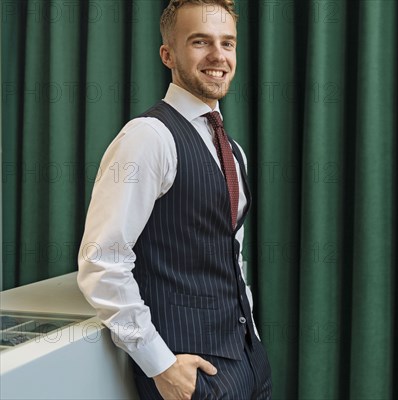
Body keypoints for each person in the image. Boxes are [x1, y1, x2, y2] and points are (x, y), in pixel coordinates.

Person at [77, 1, 272, 399]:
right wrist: (160, 364)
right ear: (168, 54)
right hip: (190, 371)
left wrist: (250, 335)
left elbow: (227, 256)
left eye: (228, 43)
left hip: (248, 362)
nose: (219, 56)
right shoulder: (147, 137)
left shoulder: (232, 151)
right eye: (200, 41)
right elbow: (102, 260)